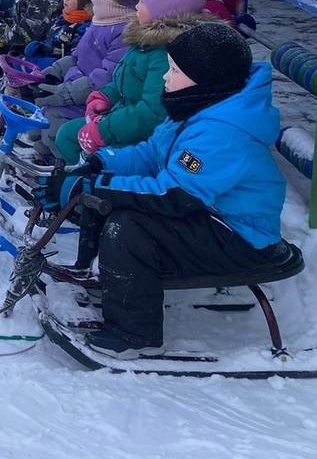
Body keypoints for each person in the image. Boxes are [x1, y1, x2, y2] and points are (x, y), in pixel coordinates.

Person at [36, 23, 287, 358]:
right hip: (208, 214)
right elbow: (150, 154)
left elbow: (173, 194)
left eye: (175, 71)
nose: (167, 78)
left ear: (207, 79)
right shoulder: (195, 107)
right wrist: (99, 164)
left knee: (129, 228)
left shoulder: (221, 133)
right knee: (113, 203)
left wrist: (96, 187)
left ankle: (135, 335)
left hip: (240, 237)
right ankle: (110, 281)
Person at [53, 0, 212, 164]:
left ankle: (97, 186)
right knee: (67, 133)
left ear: (164, 8)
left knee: (68, 137)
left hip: (146, 137)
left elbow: (154, 112)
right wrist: (105, 95)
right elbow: (124, 76)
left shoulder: (165, 52)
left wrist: (103, 131)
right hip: (124, 116)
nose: (136, 6)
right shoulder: (145, 37)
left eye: (143, 1)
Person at [34, 0, 143, 147]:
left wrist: (66, 93)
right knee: (38, 125)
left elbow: (106, 76)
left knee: (52, 129)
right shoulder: (103, 17)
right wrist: (55, 71)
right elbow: (78, 55)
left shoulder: (124, 29)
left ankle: (60, 166)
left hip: (90, 100)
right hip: (74, 87)